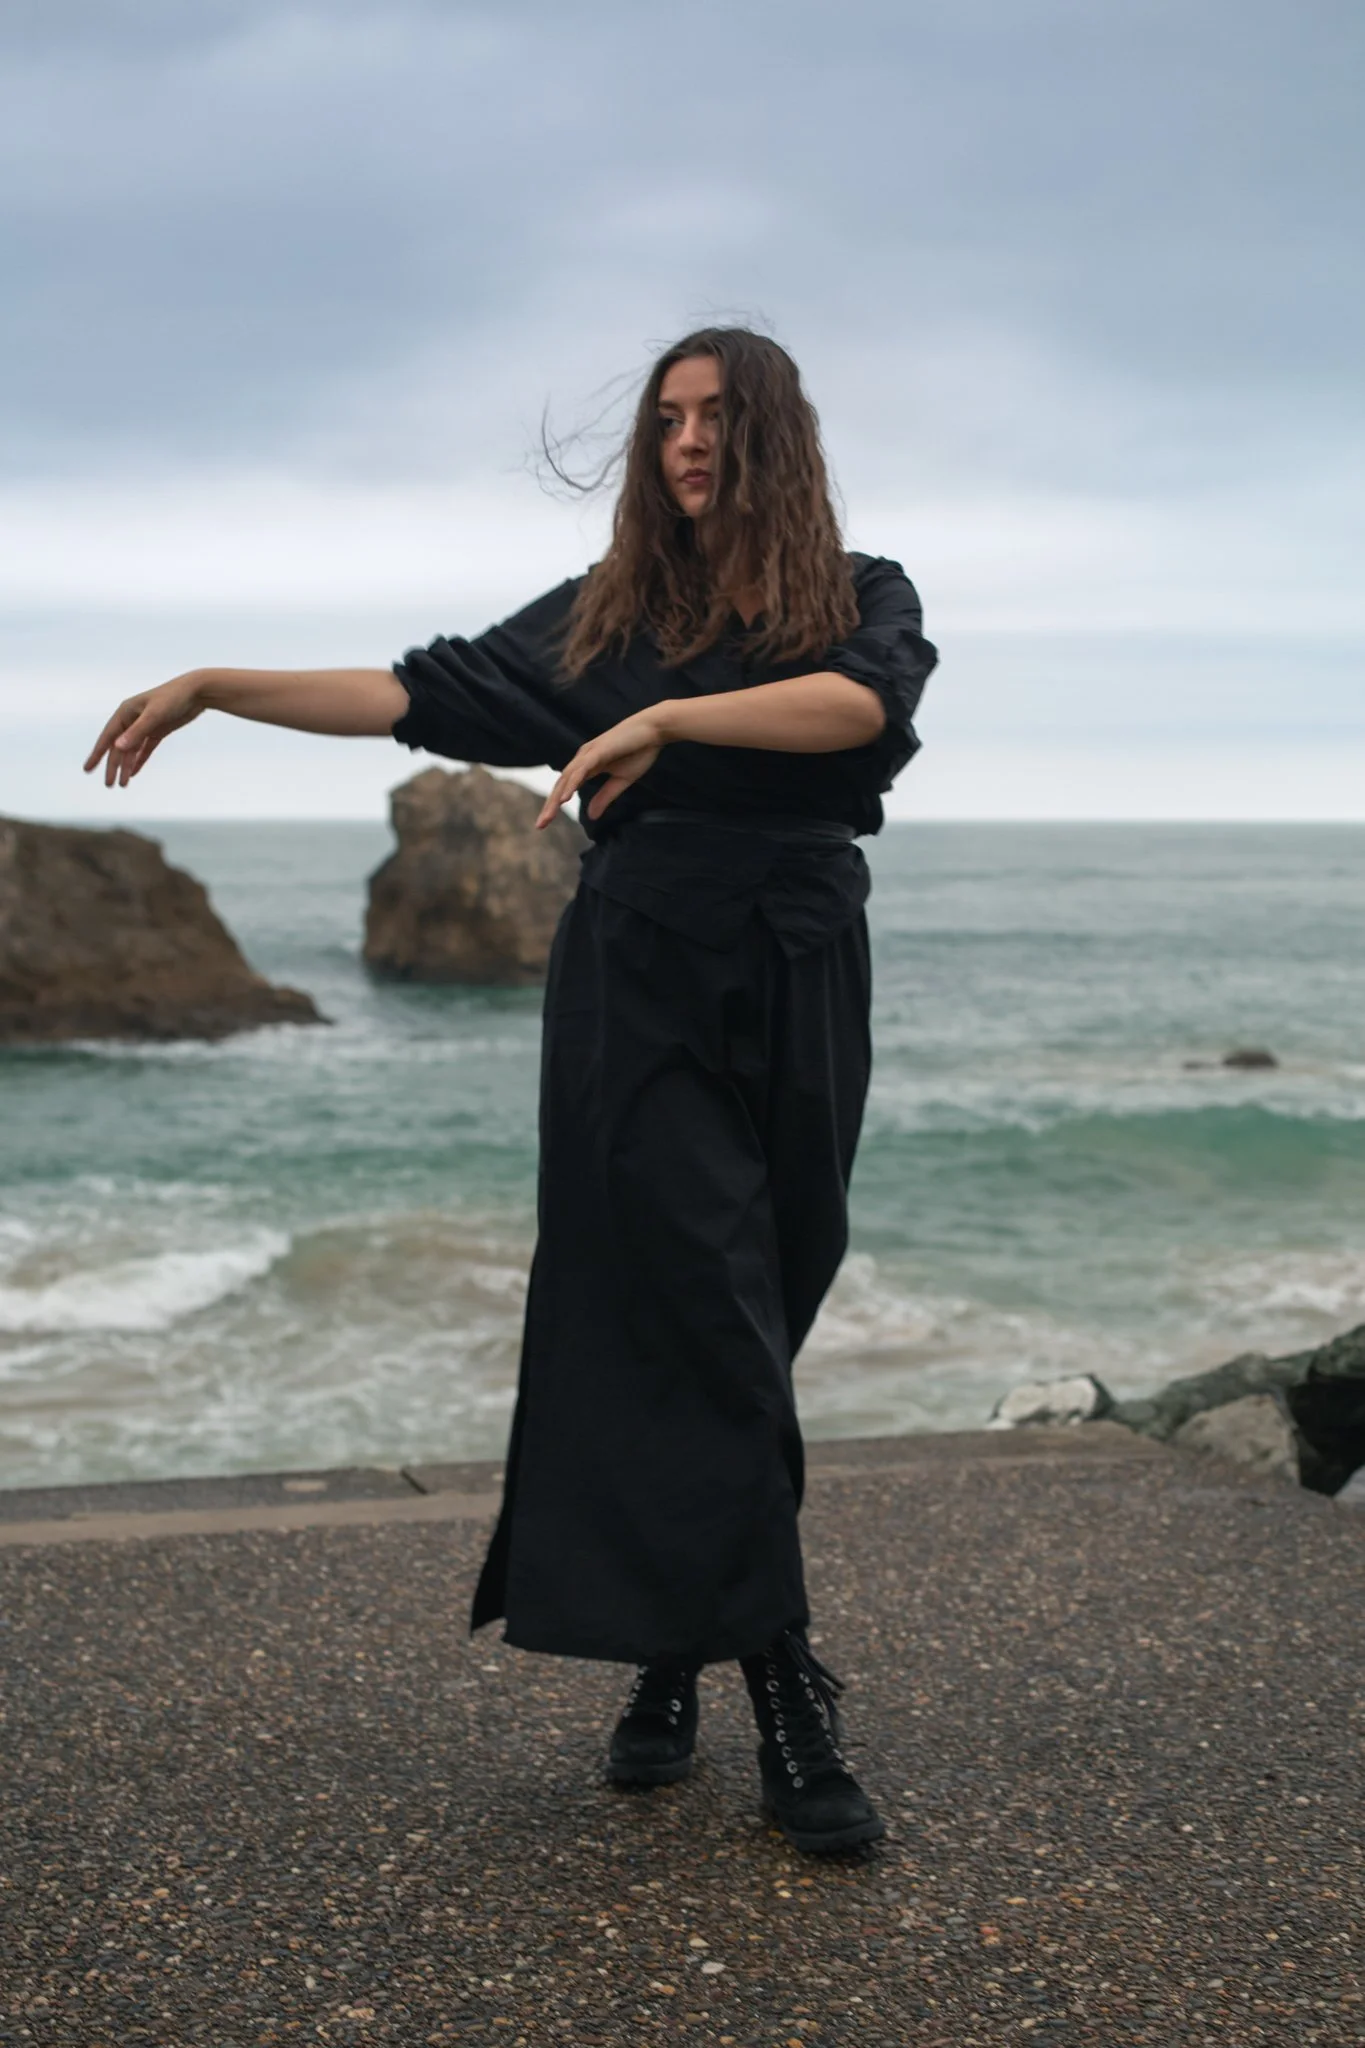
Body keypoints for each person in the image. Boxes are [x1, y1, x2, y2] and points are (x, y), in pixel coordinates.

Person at [85, 326, 938, 1856]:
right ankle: (791, 1694)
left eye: (716, 418)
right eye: (667, 419)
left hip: (804, 969)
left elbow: (858, 712)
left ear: (775, 437)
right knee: (711, 1316)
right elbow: (406, 692)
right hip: (643, 986)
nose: (685, 441)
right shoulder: (604, 623)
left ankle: (670, 1657)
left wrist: (673, 721)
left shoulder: (862, 595)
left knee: (766, 1303)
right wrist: (214, 684)